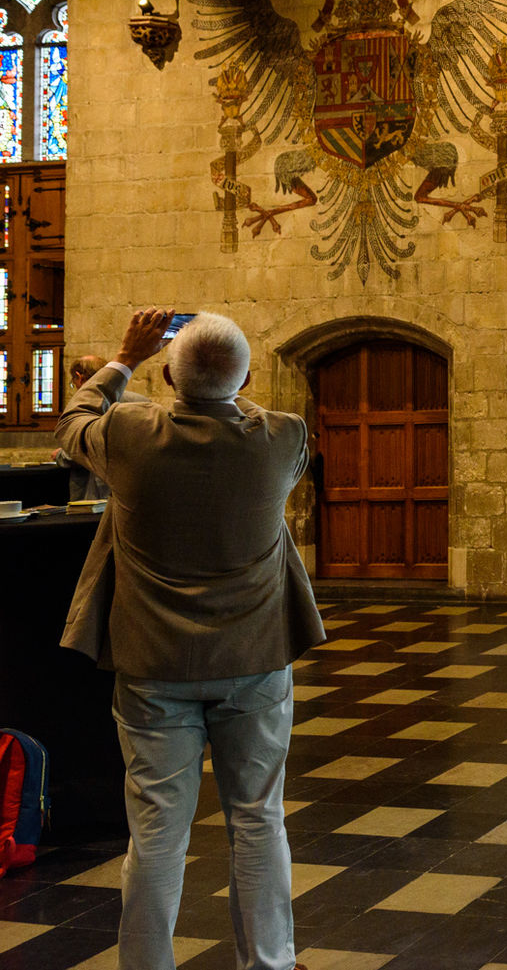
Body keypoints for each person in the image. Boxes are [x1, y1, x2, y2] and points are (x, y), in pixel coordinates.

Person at [58, 308, 321, 970]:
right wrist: (222, 384)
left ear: (168, 376)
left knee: (155, 834)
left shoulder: (128, 434)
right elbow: (243, 412)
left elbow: (71, 423)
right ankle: (269, 963)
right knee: (258, 818)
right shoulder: (283, 436)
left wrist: (125, 357)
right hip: (253, 660)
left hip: (154, 665)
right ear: (249, 378)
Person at [56, 353, 146, 501]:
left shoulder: (86, 407)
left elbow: (83, 449)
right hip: (137, 487)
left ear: (80, 377)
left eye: (74, 383)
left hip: (99, 491)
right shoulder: (141, 401)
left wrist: (60, 456)